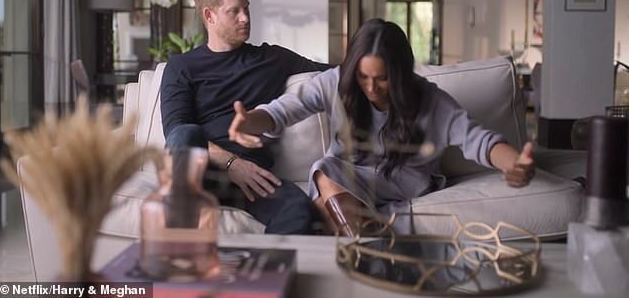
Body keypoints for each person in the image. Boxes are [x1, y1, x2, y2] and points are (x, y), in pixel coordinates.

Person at [228, 18, 536, 236]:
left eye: (382, 79)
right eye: (363, 77)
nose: (371, 88)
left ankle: (367, 256)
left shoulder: (427, 98)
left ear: (399, 74)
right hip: (350, 178)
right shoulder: (336, 82)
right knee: (325, 174)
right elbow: (282, 111)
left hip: (405, 179)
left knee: (323, 197)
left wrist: (513, 163)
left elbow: (477, 139)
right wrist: (250, 121)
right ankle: (374, 255)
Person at [160, 0, 331, 234]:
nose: (245, 18)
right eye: (234, 11)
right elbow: (175, 132)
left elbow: (335, 73)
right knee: (185, 134)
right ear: (209, 15)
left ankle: (263, 262)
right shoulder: (182, 66)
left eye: (247, 8)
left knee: (299, 209)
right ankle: (180, 246)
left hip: (252, 176)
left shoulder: (272, 59)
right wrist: (231, 164)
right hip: (200, 172)